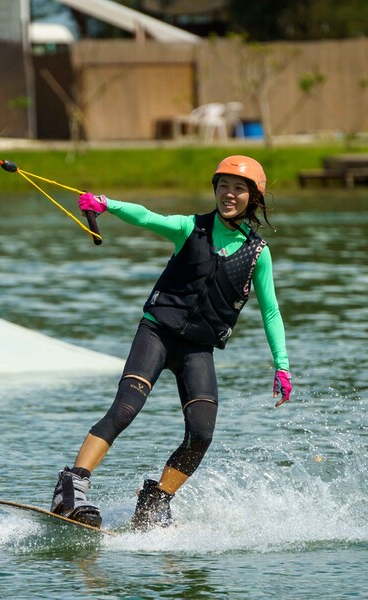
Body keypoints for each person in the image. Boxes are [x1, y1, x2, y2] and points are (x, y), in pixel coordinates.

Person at [50, 155, 292, 531]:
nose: (229, 194)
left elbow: (271, 311)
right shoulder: (190, 228)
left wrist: (282, 365)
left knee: (202, 433)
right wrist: (106, 204)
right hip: (157, 333)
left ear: (254, 197)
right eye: (223, 186)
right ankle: (71, 487)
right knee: (125, 408)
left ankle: (156, 500)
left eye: (238, 188)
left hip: (198, 349)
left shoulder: (258, 254)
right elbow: (147, 217)